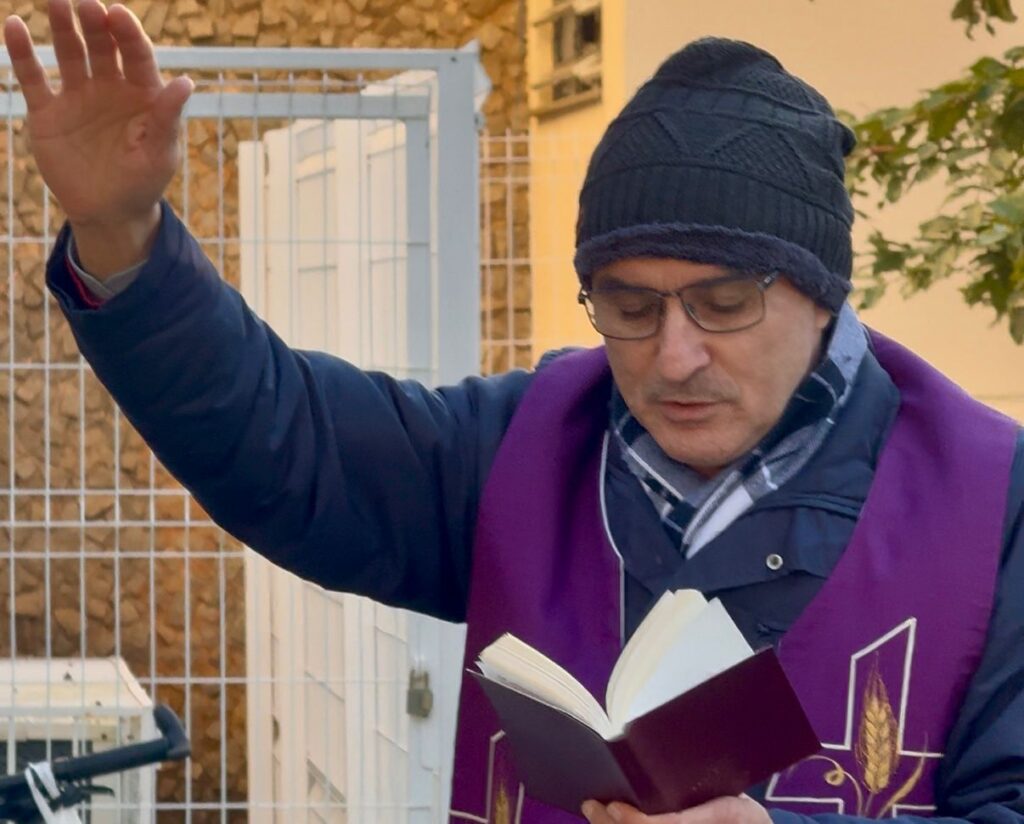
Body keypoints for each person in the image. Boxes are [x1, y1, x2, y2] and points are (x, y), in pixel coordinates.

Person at [5, 3, 1024, 824]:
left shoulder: (995, 498)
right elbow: (286, 437)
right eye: (628, 305)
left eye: (723, 303)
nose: (673, 354)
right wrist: (121, 230)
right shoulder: (523, 447)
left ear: (824, 293)